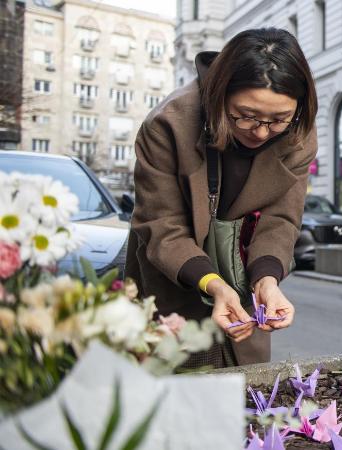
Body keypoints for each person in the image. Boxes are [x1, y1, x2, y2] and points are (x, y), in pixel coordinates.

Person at [125, 28, 317, 368]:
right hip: (173, 280)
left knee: (243, 392)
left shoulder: (299, 134)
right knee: (175, 392)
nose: (260, 131)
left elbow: (281, 220)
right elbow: (161, 224)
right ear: (219, 94)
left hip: (244, 288)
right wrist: (214, 285)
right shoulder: (168, 124)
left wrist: (267, 280)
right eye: (245, 115)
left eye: (277, 120)